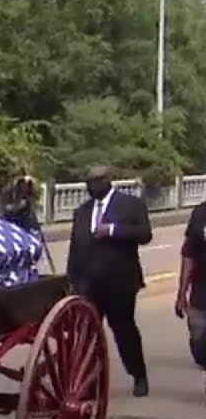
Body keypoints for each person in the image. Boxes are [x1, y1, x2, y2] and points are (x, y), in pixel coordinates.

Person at [65, 165, 152, 397]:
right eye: (89, 182)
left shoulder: (130, 204)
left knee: (123, 330)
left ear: (108, 180)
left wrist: (113, 230)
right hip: (89, 284)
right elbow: (75, 248)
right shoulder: (82, 211)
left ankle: (138, 376)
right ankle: (88, 383)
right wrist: (71, 281)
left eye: (97, 181)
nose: (92, 186)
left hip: (120, 283)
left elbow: (145, 234)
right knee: (87, 335)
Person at [174, 197, 206, 387]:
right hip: (201, 288)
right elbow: (188, 254)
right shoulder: (200, 214)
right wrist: (181, 293)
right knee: (199, 342)